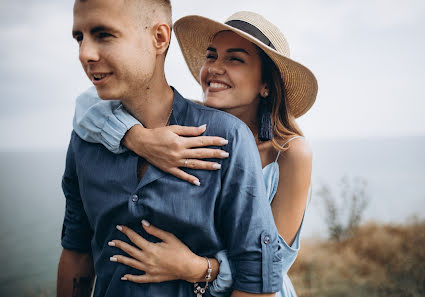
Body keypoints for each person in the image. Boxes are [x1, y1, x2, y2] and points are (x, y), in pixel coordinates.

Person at [73, 9, 317, 297]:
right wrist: (138, 138)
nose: (214, 67)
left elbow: (270, 261)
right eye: (211, 55)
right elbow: (86, 105)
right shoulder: (186, 131)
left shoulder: (290, 153)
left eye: (234, 59)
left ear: (266, 84)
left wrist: (198, 268)